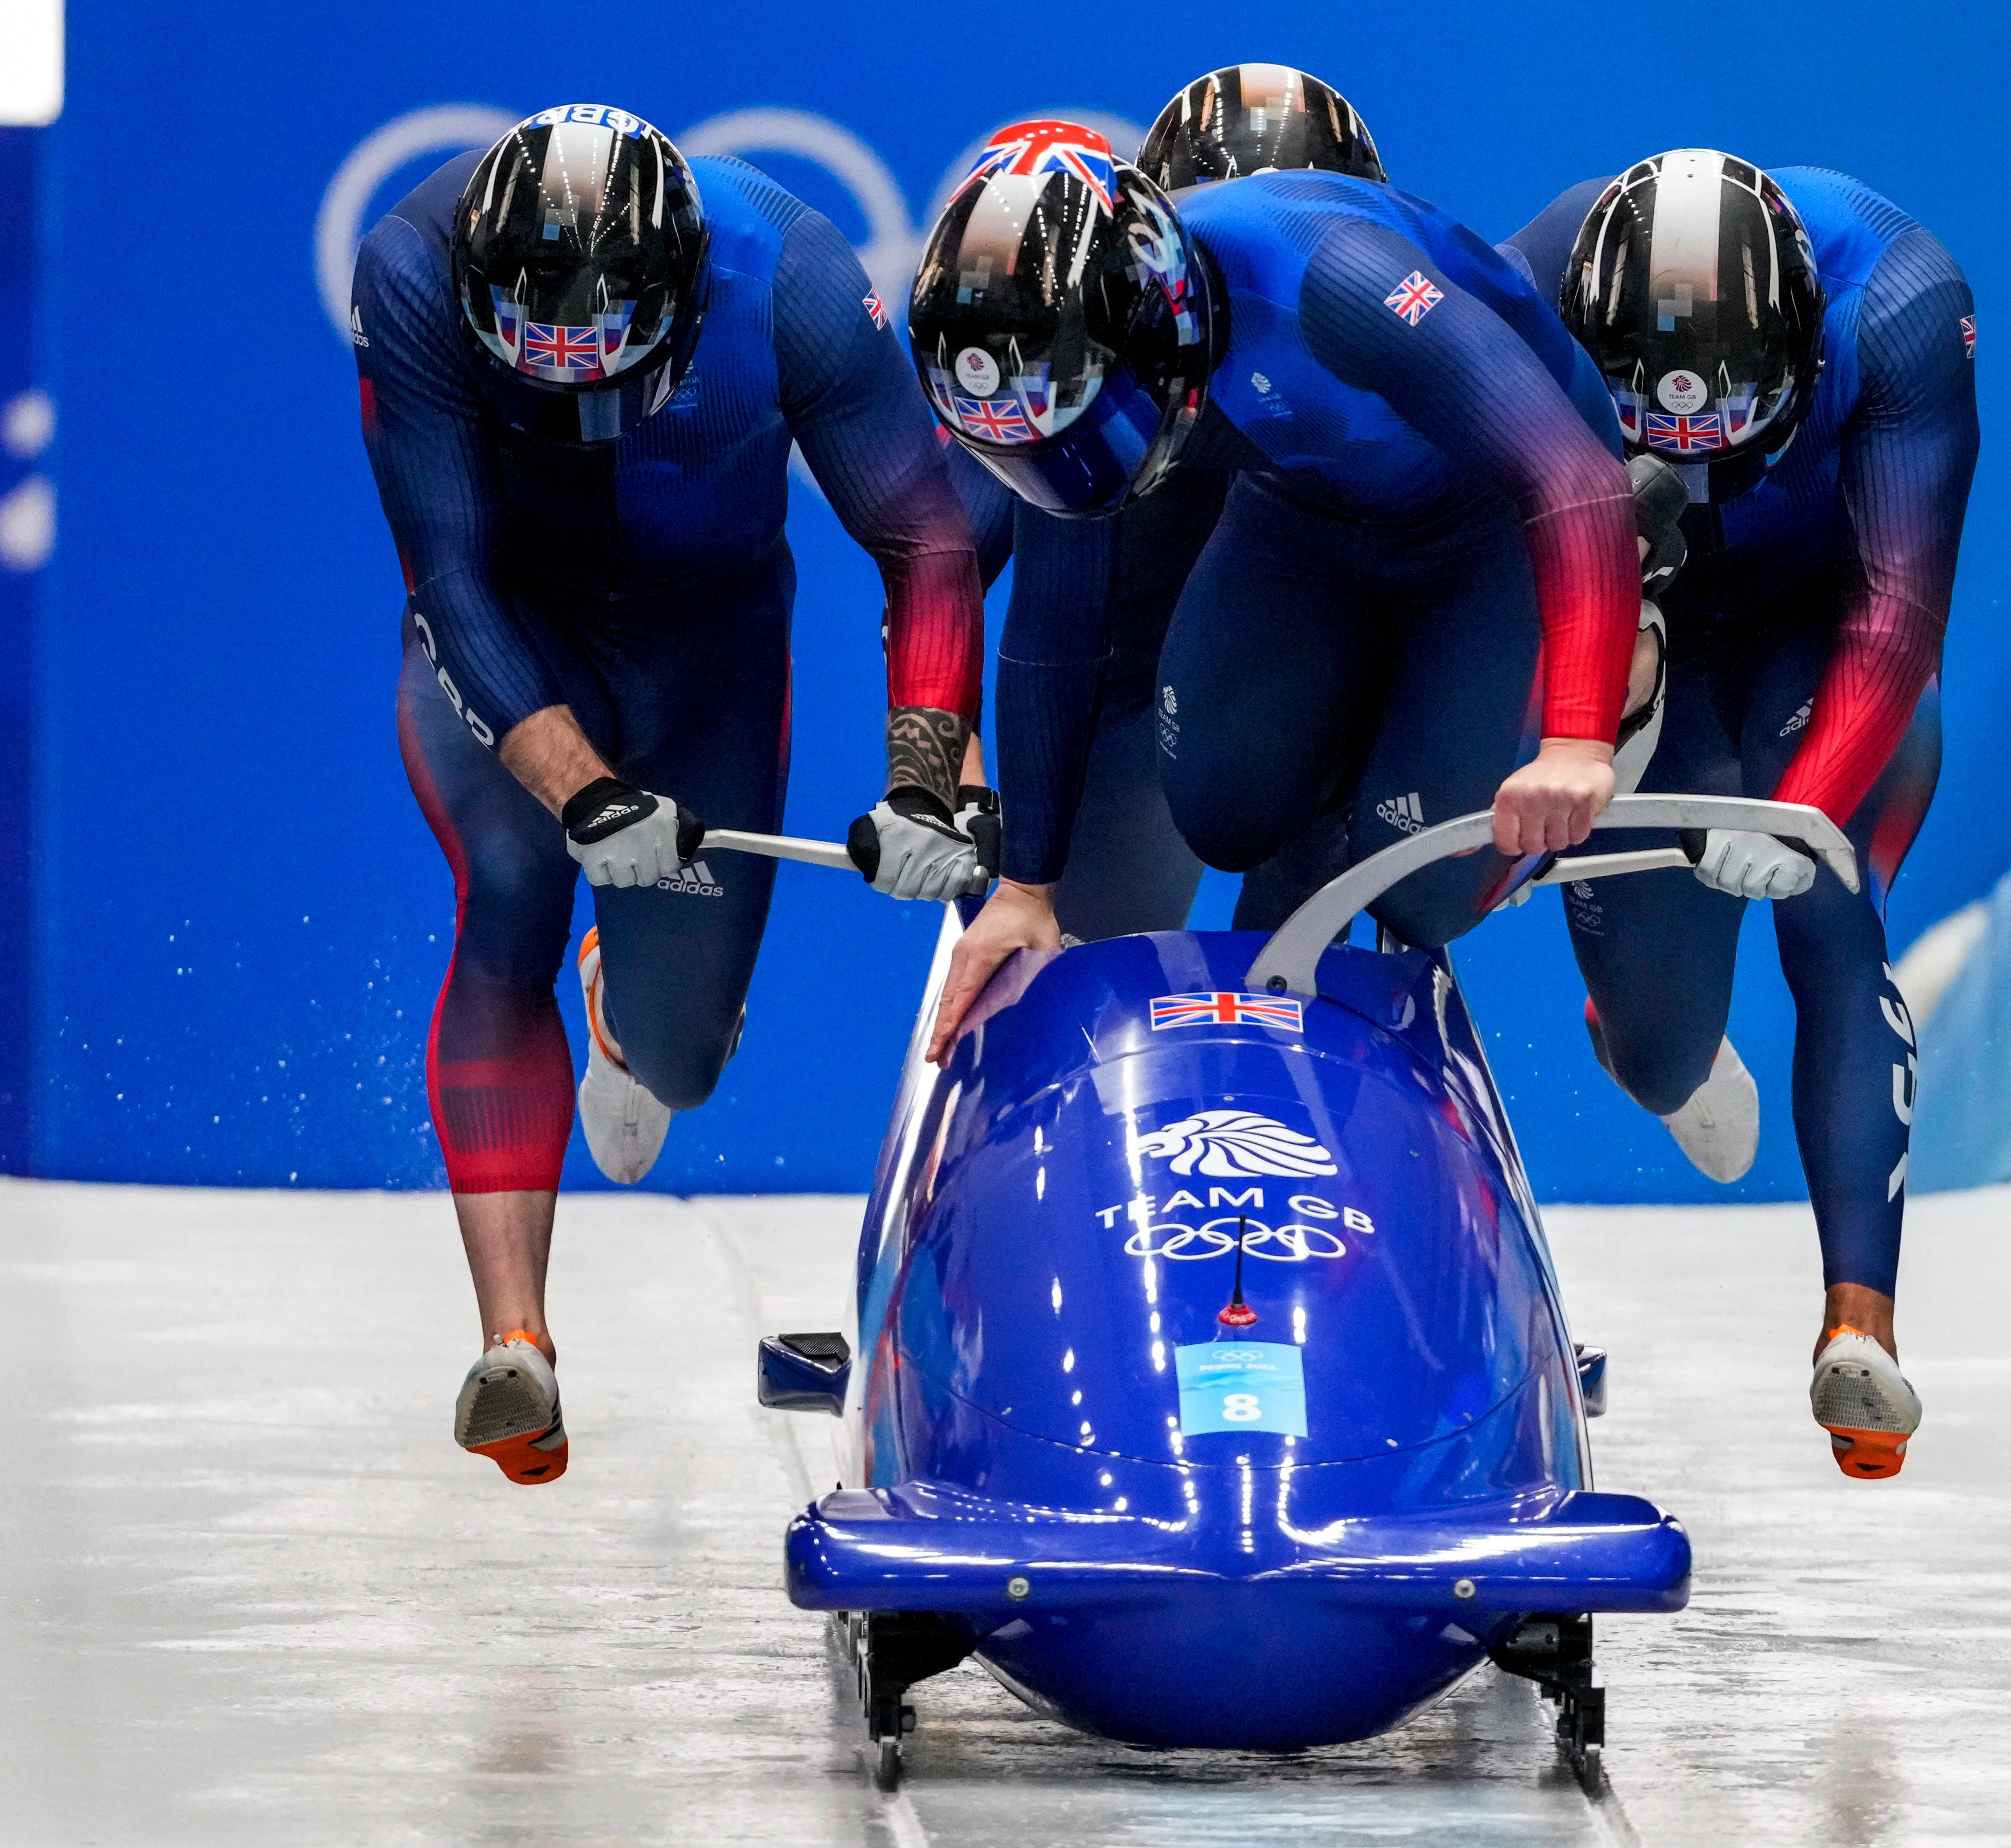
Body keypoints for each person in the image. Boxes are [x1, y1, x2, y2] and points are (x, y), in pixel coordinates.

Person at [354, 104, 991, 1484]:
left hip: (706, 648)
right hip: (513, 629)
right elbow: (450, 571)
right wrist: (577, 787)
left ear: (683, 303)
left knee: (685, 1055)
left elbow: (925, 536)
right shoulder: (411, 266)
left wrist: (927, 776)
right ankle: (516, 1337)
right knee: (510, 891)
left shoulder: (791, 275)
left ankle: (629, 1013)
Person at [916, 120, 1643, 1054]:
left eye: (1089, 430)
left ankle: (1630, 673)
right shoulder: (1085, 370)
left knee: (1421, 891)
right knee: (1224, 811)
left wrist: (1576, 738)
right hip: (1303, 520)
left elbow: (1573, 478)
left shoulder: (1332, 280)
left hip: (1489, 528)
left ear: (1161, 323)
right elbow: (1054, 630)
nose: (1073, 472)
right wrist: (1026, 893)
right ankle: (1363, 782)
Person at [1504, 150, 1977, 1480]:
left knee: (1830, 905)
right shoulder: (1526, 285)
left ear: (1805, 351)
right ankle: (1653, 1042)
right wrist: (1589, 703)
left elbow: (1896, 609)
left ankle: (1859, 1323)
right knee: (1663, 1052)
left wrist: (1812, 800)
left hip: (1818, 634)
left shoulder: (1898, 303)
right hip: (1634, 615)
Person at [969, 66, 1390, 941]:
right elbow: (936, 564)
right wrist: (948, 768)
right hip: (1122, 706)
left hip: (1304, 700)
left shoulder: (1390, 339)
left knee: (1301, 945)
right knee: (1067, 962)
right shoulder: (1075, 345)